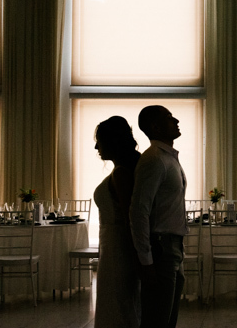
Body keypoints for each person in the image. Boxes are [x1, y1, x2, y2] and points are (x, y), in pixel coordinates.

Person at [130, 105, 187, 328]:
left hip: (173, 247)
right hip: (161, 248)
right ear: (156, 127)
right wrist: (146, 260)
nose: (176, 121)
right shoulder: (154, 159)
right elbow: (139, 211)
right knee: (158, 320)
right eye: (169, 117)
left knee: (167, 318)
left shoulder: (167, 157)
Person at [93, 116, 142, 328]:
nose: (96, 147)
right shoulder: (123, 170)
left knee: (117, 302)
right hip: (112, 246)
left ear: (112, 141)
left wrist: (137, 255)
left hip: (118, 249)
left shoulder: (122, 173)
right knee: (118, 301)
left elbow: (130, 217)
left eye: (99, 141)